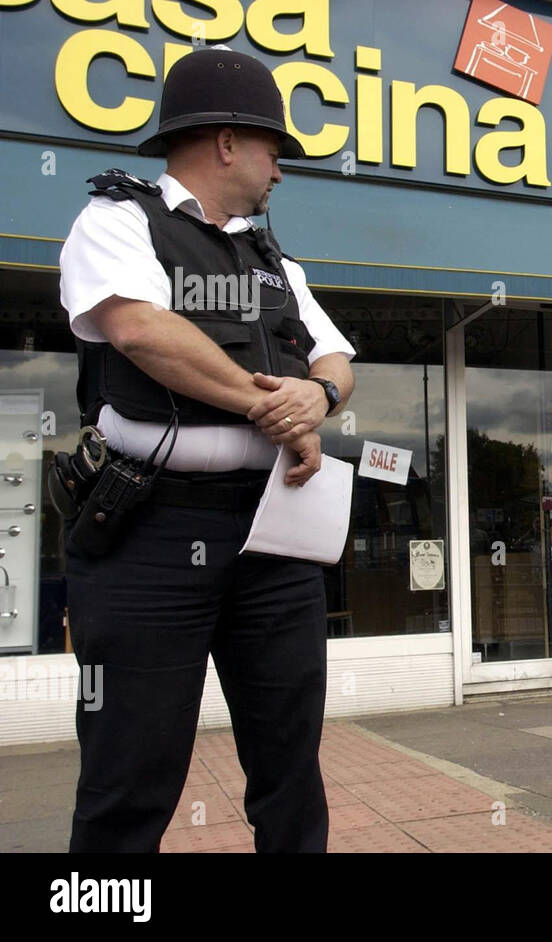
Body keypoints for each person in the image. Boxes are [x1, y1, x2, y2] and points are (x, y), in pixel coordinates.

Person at [58, 47, 356, 852]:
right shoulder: (117, 220)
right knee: (127, 777)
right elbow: (140, 330)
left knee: (292, 772)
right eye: (273, 149)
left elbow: (334, 358)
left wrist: (318, 396)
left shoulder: (276, 262)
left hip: (272, 536)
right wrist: (276, 407)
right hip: (147, 533)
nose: (281, 173)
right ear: (226, 141)